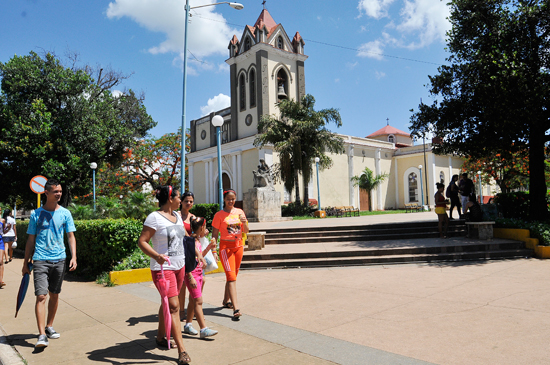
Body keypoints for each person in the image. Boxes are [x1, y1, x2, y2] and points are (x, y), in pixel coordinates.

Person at [137, 185, 192, 365]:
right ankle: (182, 351)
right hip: (163, 269)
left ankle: (161, 337)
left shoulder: (176, 216)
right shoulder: (154, 218)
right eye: (178, 197)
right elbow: (142, 241)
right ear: (170, 198)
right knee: (174, 306)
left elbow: (183, 239)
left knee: (167, 302)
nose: (180, 199)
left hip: (179, 266)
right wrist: (156, 256)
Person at [23, 179, 77, 348]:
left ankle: (49, 326)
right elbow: (30, 240)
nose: (59, 194)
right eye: (55, 191)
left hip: (60, 259)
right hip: (40, 259)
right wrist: (26, 262)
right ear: (46, 193)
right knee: (41, 296)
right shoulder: (36, 214)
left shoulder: (65, 213)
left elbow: (70, 236)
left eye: (60, 191)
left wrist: (73, 256)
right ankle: (41, 335)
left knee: (54, 295)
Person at [212, 189, 249, 320]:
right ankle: (236, 308)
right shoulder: (219, 215)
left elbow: (246, 230)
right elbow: (214, 235)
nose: (231, 201)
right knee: (231, 277)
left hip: (238, 247)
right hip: (226, 248)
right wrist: (213, 251)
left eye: (233, 199)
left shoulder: (239, 212)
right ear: (224, 199)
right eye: (228, 199)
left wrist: (244, 222)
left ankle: (225, 300)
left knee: (233, 276)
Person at [182, 216, 218, 338]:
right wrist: (190, 276)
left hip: (198, 273)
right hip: (192, 275)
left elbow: (198, 257)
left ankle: (188, 325)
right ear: (202, 227)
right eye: (205, 227)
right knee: (198, 301)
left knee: (193, 299)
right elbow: (186, 260)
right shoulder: (190, 242)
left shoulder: (196, 241)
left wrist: (209, 248)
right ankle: (203, 329)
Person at [178, 191, 195, 321]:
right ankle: (181, 311)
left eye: (191, 201)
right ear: (181, 202)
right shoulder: (176, 216)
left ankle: (191, 310)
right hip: (178, 251)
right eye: (186, 201)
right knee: (182, 284)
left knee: (193, 282)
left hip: (189, 251)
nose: (188, 203)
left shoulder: (193, 217)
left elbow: (195, 235)